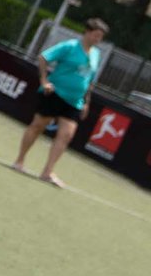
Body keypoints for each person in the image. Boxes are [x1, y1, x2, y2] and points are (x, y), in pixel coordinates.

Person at [11, 18, 110, 187]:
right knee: (38, 126)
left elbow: (90, 80)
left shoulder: (96, 54)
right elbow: (43, 57)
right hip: (55, 94)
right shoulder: (69, 46)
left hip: (74, 101)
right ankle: (19, 161)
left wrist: (86, 101)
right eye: (96, 35)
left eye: (100, 37)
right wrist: (44, 81)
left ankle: (47, 172)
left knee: (67, 134)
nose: (98, 40)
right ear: (87, 32)